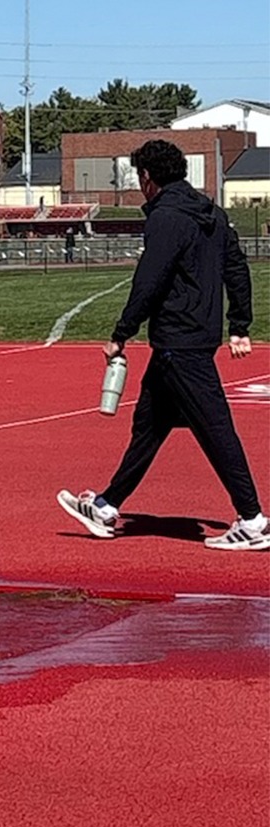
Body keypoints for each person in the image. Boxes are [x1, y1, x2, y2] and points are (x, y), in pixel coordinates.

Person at [58, 139, 264, 550]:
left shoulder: (166, 218)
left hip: (179, 340)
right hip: (193, 337)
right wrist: (238, 324)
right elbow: (237, 269)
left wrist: (121, 332)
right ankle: (105, 506)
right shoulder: (213, 215)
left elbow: (149, 279)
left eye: (139, 177)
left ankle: (253, 519)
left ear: (147, 177)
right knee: (149, 428)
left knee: (215, 429)